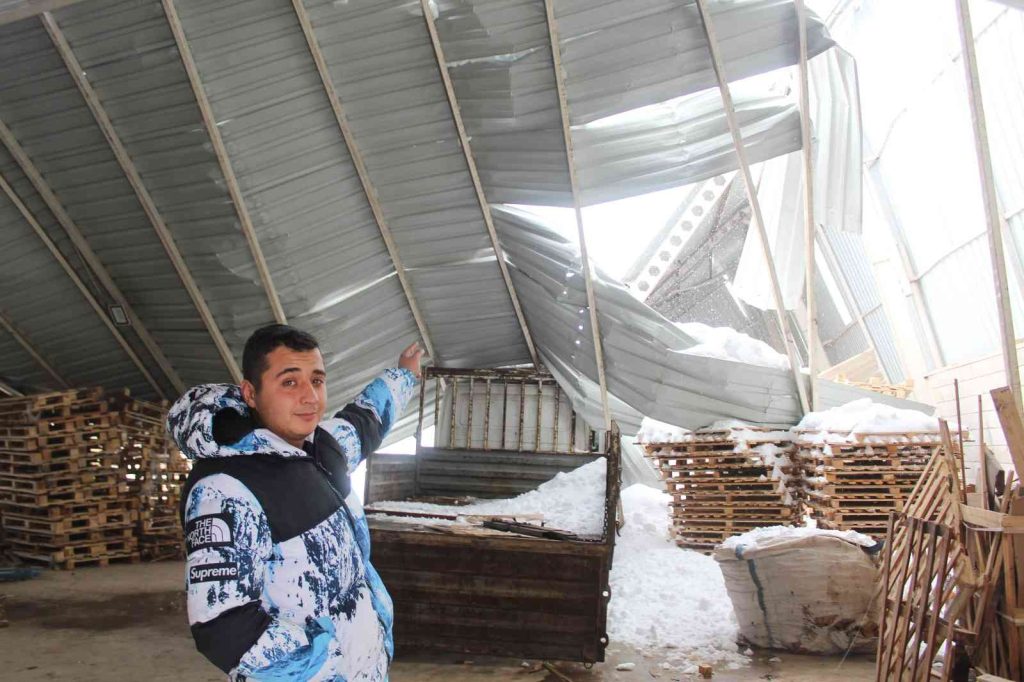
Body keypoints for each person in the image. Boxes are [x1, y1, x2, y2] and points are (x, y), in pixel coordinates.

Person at [166, 324, 423, 681]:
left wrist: (403, 376)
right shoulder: (226, 489)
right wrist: (331, 667)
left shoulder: (321, 447)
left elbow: (365, 421)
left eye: (316, 381)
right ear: (250, 394)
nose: (310, 397)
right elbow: (223, 626)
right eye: (289, 382)